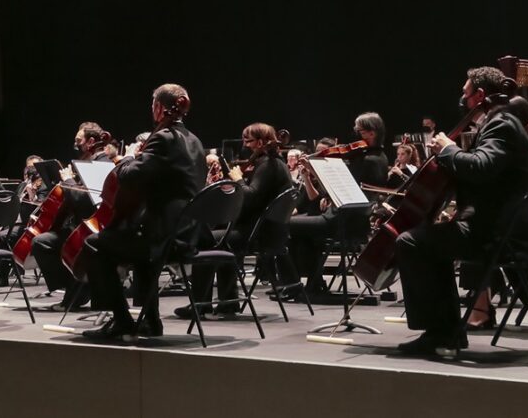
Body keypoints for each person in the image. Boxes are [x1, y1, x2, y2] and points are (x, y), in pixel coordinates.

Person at [395, 66, 528, 357]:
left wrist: (446, 149)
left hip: (490, 230)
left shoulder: (502, 123)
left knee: (409, 241)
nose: (462, 97)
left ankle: (440, 331)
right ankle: (447, 330)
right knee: (429, 241)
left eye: (465, 92)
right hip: (497, 224)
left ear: (480, 95)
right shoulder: (503, 122)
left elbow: (482, 166)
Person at [82, 83, 207, 342]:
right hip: (188, 233)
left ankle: (121, 319)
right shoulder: (195, 141)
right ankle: (150, 321)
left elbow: (128, 177)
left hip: (163, 238)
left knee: (95, 244)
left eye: (153, 105)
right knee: (135, 240)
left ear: (159, 107)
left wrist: (128, 157)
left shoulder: (162, 138)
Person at [180, 122, 291, 319]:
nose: (245, 145)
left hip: (257, 233)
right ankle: (227, 303)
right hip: (270, 231)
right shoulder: (277, 163)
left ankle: (200, 304)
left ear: (260, 142)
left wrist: (237, 178)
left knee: (206, 242)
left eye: (248, 141)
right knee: (221, 241)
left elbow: (250, 196)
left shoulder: (267, 165)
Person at [284, 113, 389, 299]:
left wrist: (315, 169)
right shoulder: (378, 157)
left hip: (342, 221)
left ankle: (296, 284)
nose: (355, 135)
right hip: (352, 220)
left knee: (287, 224)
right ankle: (313, 283)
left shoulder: (368, 160)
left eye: (359, 131)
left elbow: (349, 189)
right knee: (302, 230)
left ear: (371, 133)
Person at [31, 122, 113, 312]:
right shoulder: (86, 163)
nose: (75, 144)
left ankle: (78, 291)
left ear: (91, 141)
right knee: (42, 242)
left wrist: (68, 180)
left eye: (78, 140)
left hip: (91, 226)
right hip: (77, 225)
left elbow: (86, 201)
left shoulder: (102, 164)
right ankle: (74, 287)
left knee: (47, 243)